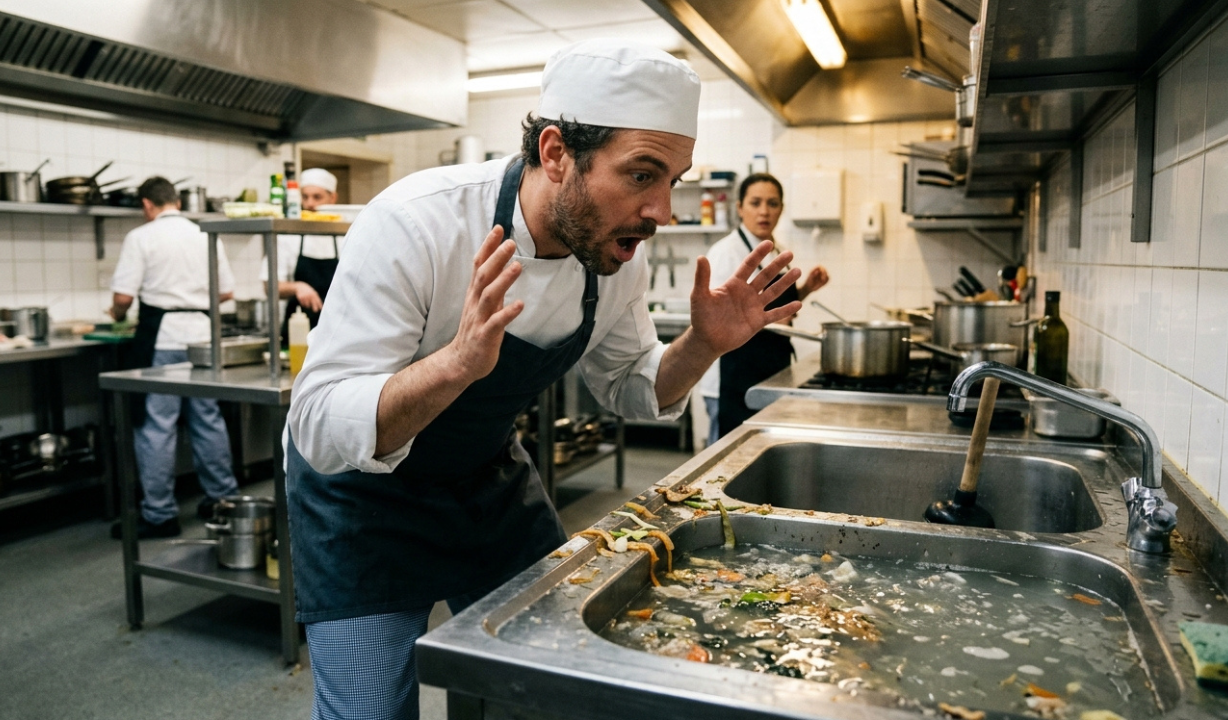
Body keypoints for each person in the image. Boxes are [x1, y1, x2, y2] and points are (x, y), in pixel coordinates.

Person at [286, 39, 802, 720]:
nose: (662, 212)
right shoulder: (416, 223)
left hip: (485, 484)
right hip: (362, 503)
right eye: (643, 175)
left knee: (555, 684)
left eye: (672, 180)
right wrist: (455, 365)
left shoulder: (615, 250)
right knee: (370, 712)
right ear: (556, 152)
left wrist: (703, 344)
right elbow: (318, 422)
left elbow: (632, 387)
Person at [108, 177, 240, 538]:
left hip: (162, 339)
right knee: (207, 419)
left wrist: (115, 316)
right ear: (177, 202)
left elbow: (123, 298)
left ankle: (160, 514)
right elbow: (226, 291)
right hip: (201, 339)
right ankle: (224, 501)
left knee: (156, 426)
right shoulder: (204, 234)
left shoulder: (141, 237)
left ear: (147, 205)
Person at [699, 173, 829, 441]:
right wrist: (770, 325)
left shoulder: (775, 250)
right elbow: (716, 320)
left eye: (772, 203)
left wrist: (805, 290)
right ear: (739, 208)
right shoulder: (727, 253)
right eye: (755, 203)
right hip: (730, 378)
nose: (764, 212)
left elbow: (775, 311)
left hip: (765, 374)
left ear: (781, 209)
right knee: (722, 457)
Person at [261, 167, 343, 339]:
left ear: (333, 197)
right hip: (298, 332)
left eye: (317, 197)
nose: (310, 204)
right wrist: (297, 286)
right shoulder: (288, 236)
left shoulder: (345, 236)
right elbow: (269, 286)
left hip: (338, 332)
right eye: (305, 197)